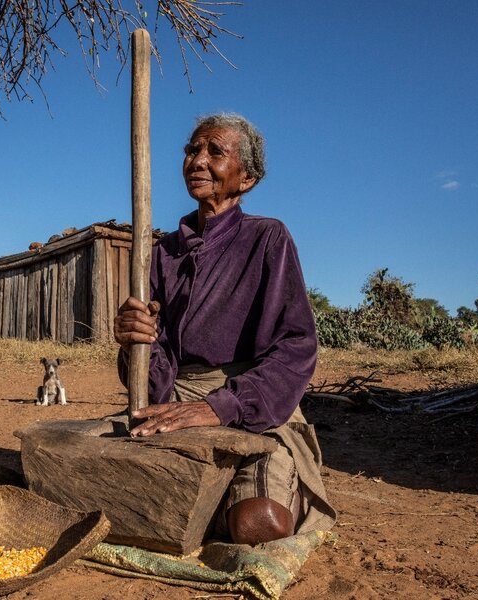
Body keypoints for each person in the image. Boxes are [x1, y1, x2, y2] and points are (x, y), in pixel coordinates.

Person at [113, 114, 335, 546]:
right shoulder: (162, 253)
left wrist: (221, 408)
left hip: (255, 400)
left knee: (258, 524)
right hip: (176, 398)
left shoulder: (268, 238)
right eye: (192, 150)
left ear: (247, 178)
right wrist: (136, 341)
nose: (197, 160)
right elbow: (152, 376)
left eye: (215, 152)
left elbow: (296, 346)